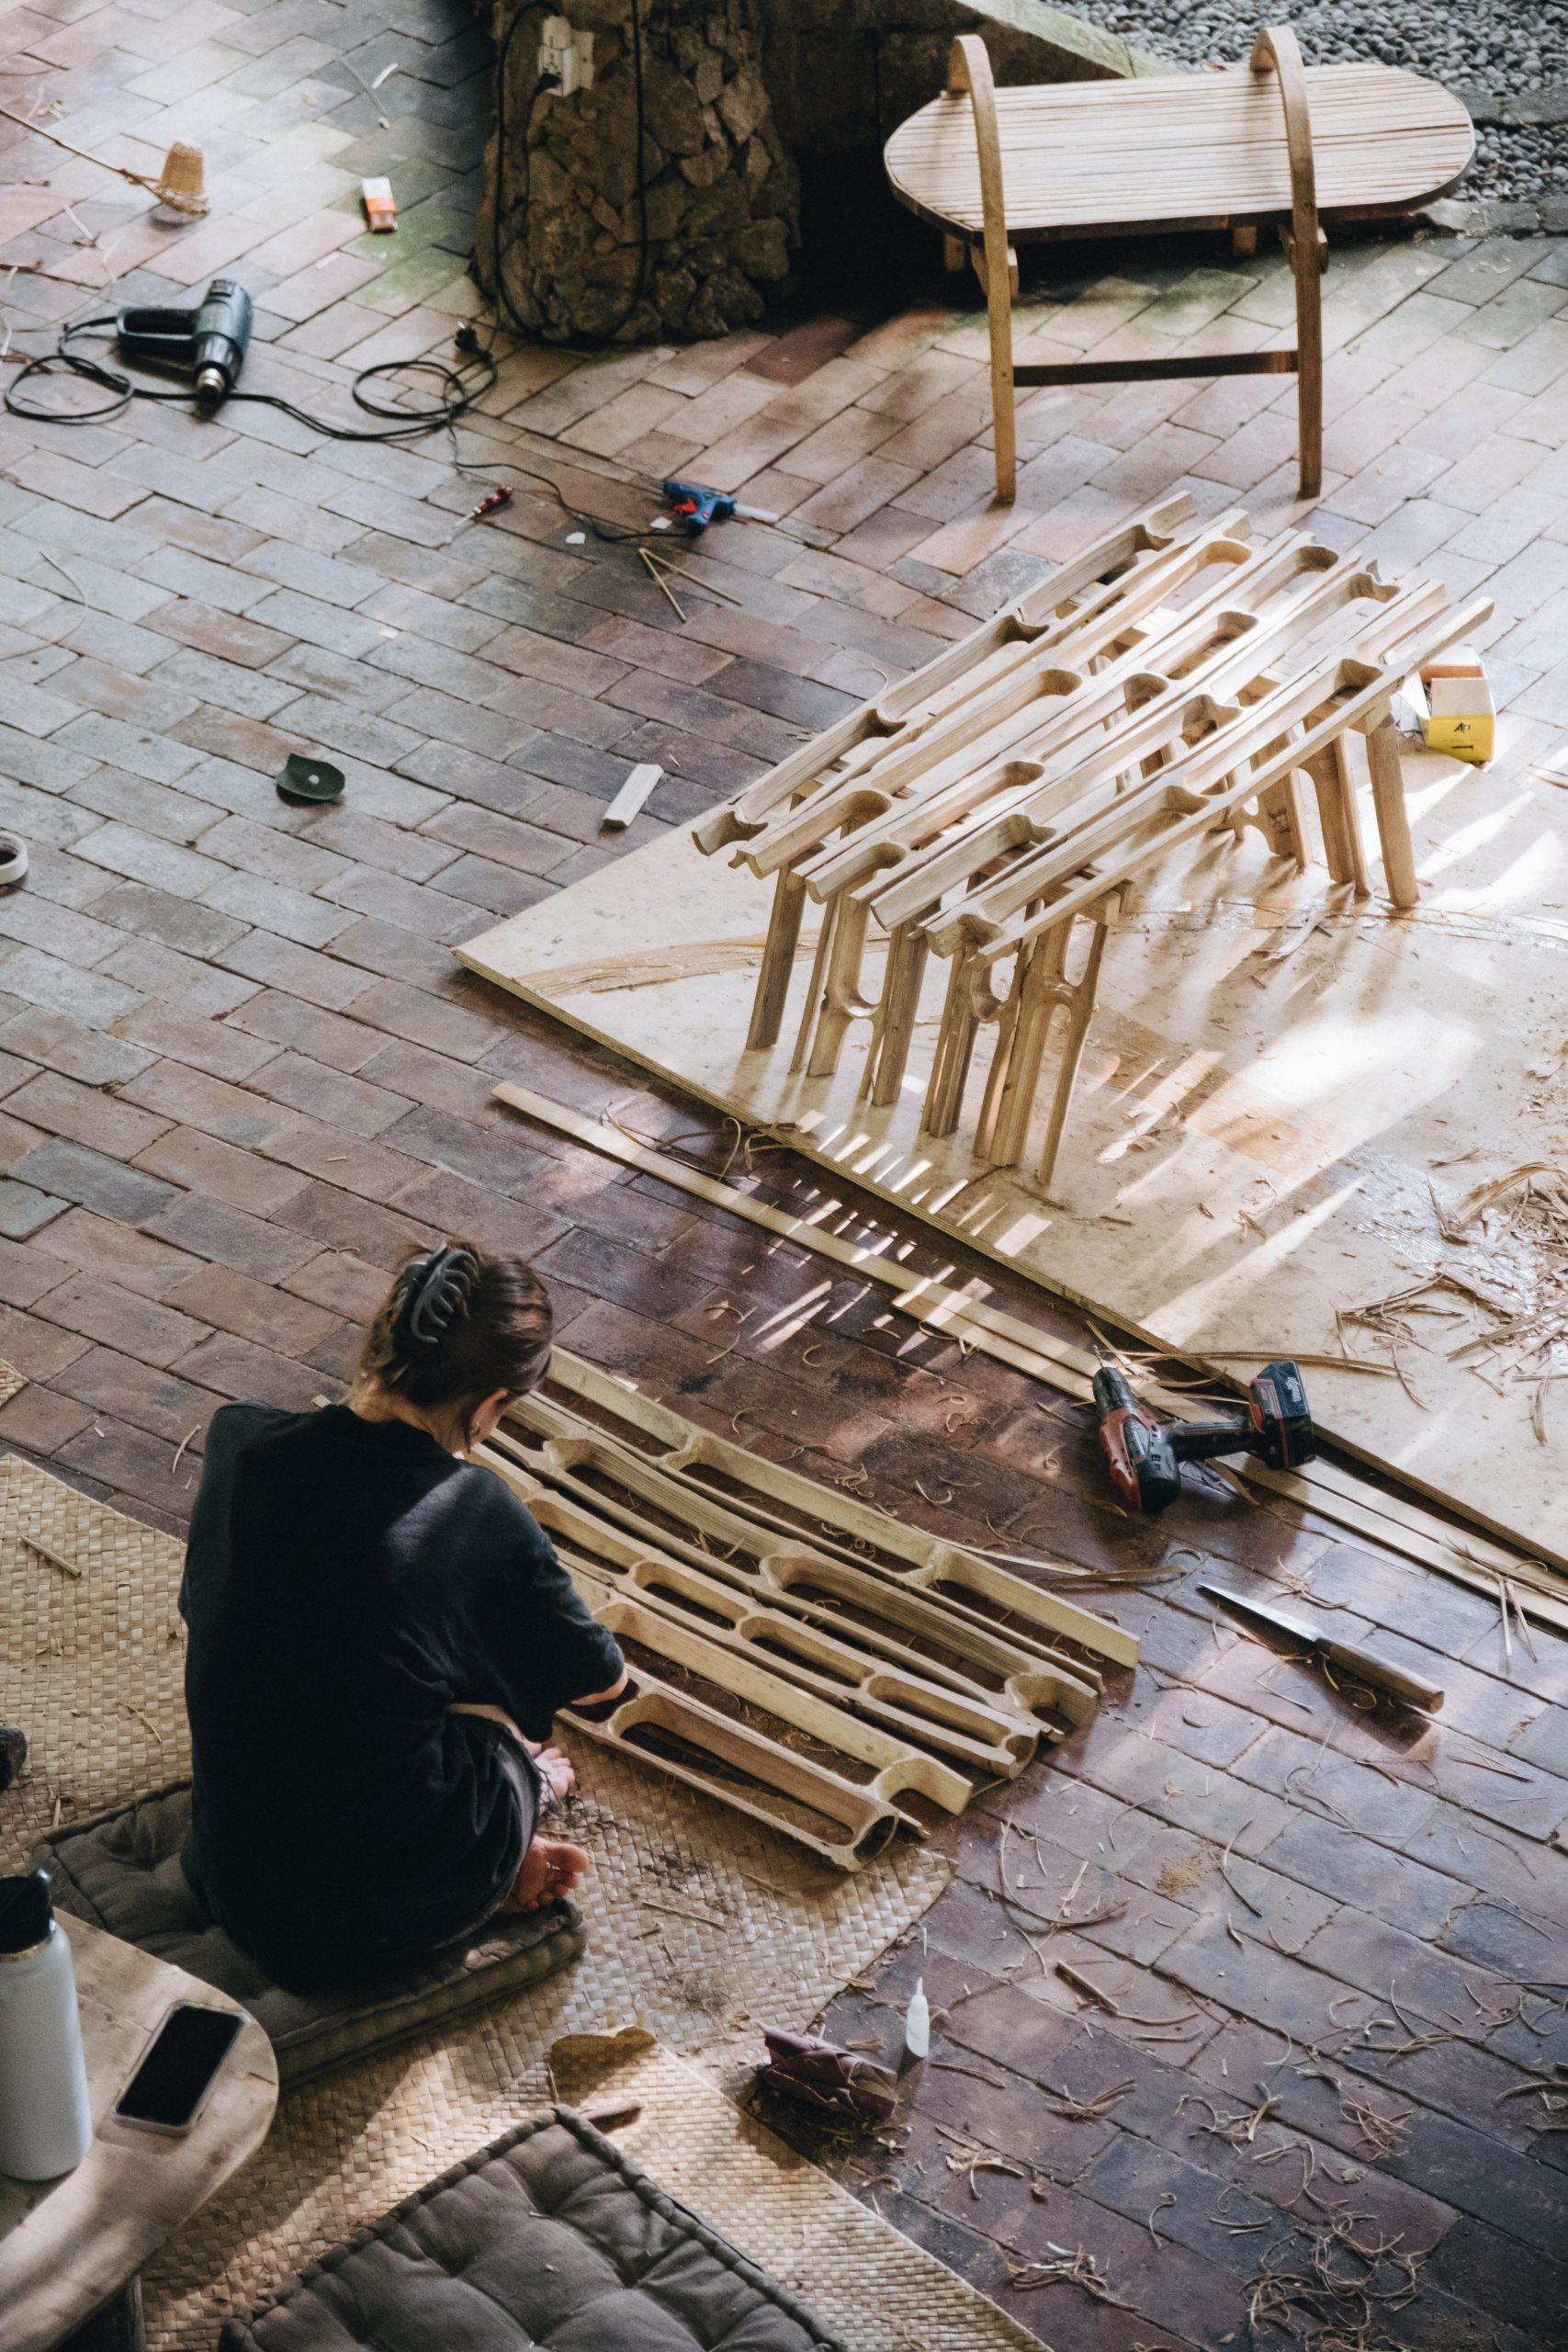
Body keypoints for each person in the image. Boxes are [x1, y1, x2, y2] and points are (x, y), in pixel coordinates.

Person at [178, 1241, 627, 1993]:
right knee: (504, 1715)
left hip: (229, 1874)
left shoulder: (241, 1440)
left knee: (358, 1652)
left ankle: (481, 1829)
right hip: (369, 1920)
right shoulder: (474, 1513)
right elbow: (597, 1687)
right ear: (490, 1406)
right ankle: (509, 1818)